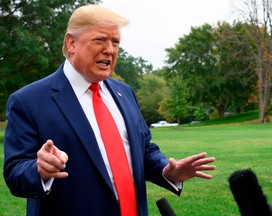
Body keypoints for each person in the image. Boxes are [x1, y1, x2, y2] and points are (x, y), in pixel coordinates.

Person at [3, 4, 216, 216]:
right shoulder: (28, 101)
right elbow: (15, 172)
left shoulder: (125, 93)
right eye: (100, 40)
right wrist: (39, 169)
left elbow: (144, 150)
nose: (110, 50)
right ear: (71, 43)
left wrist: (166, 170)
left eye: (115, 42)